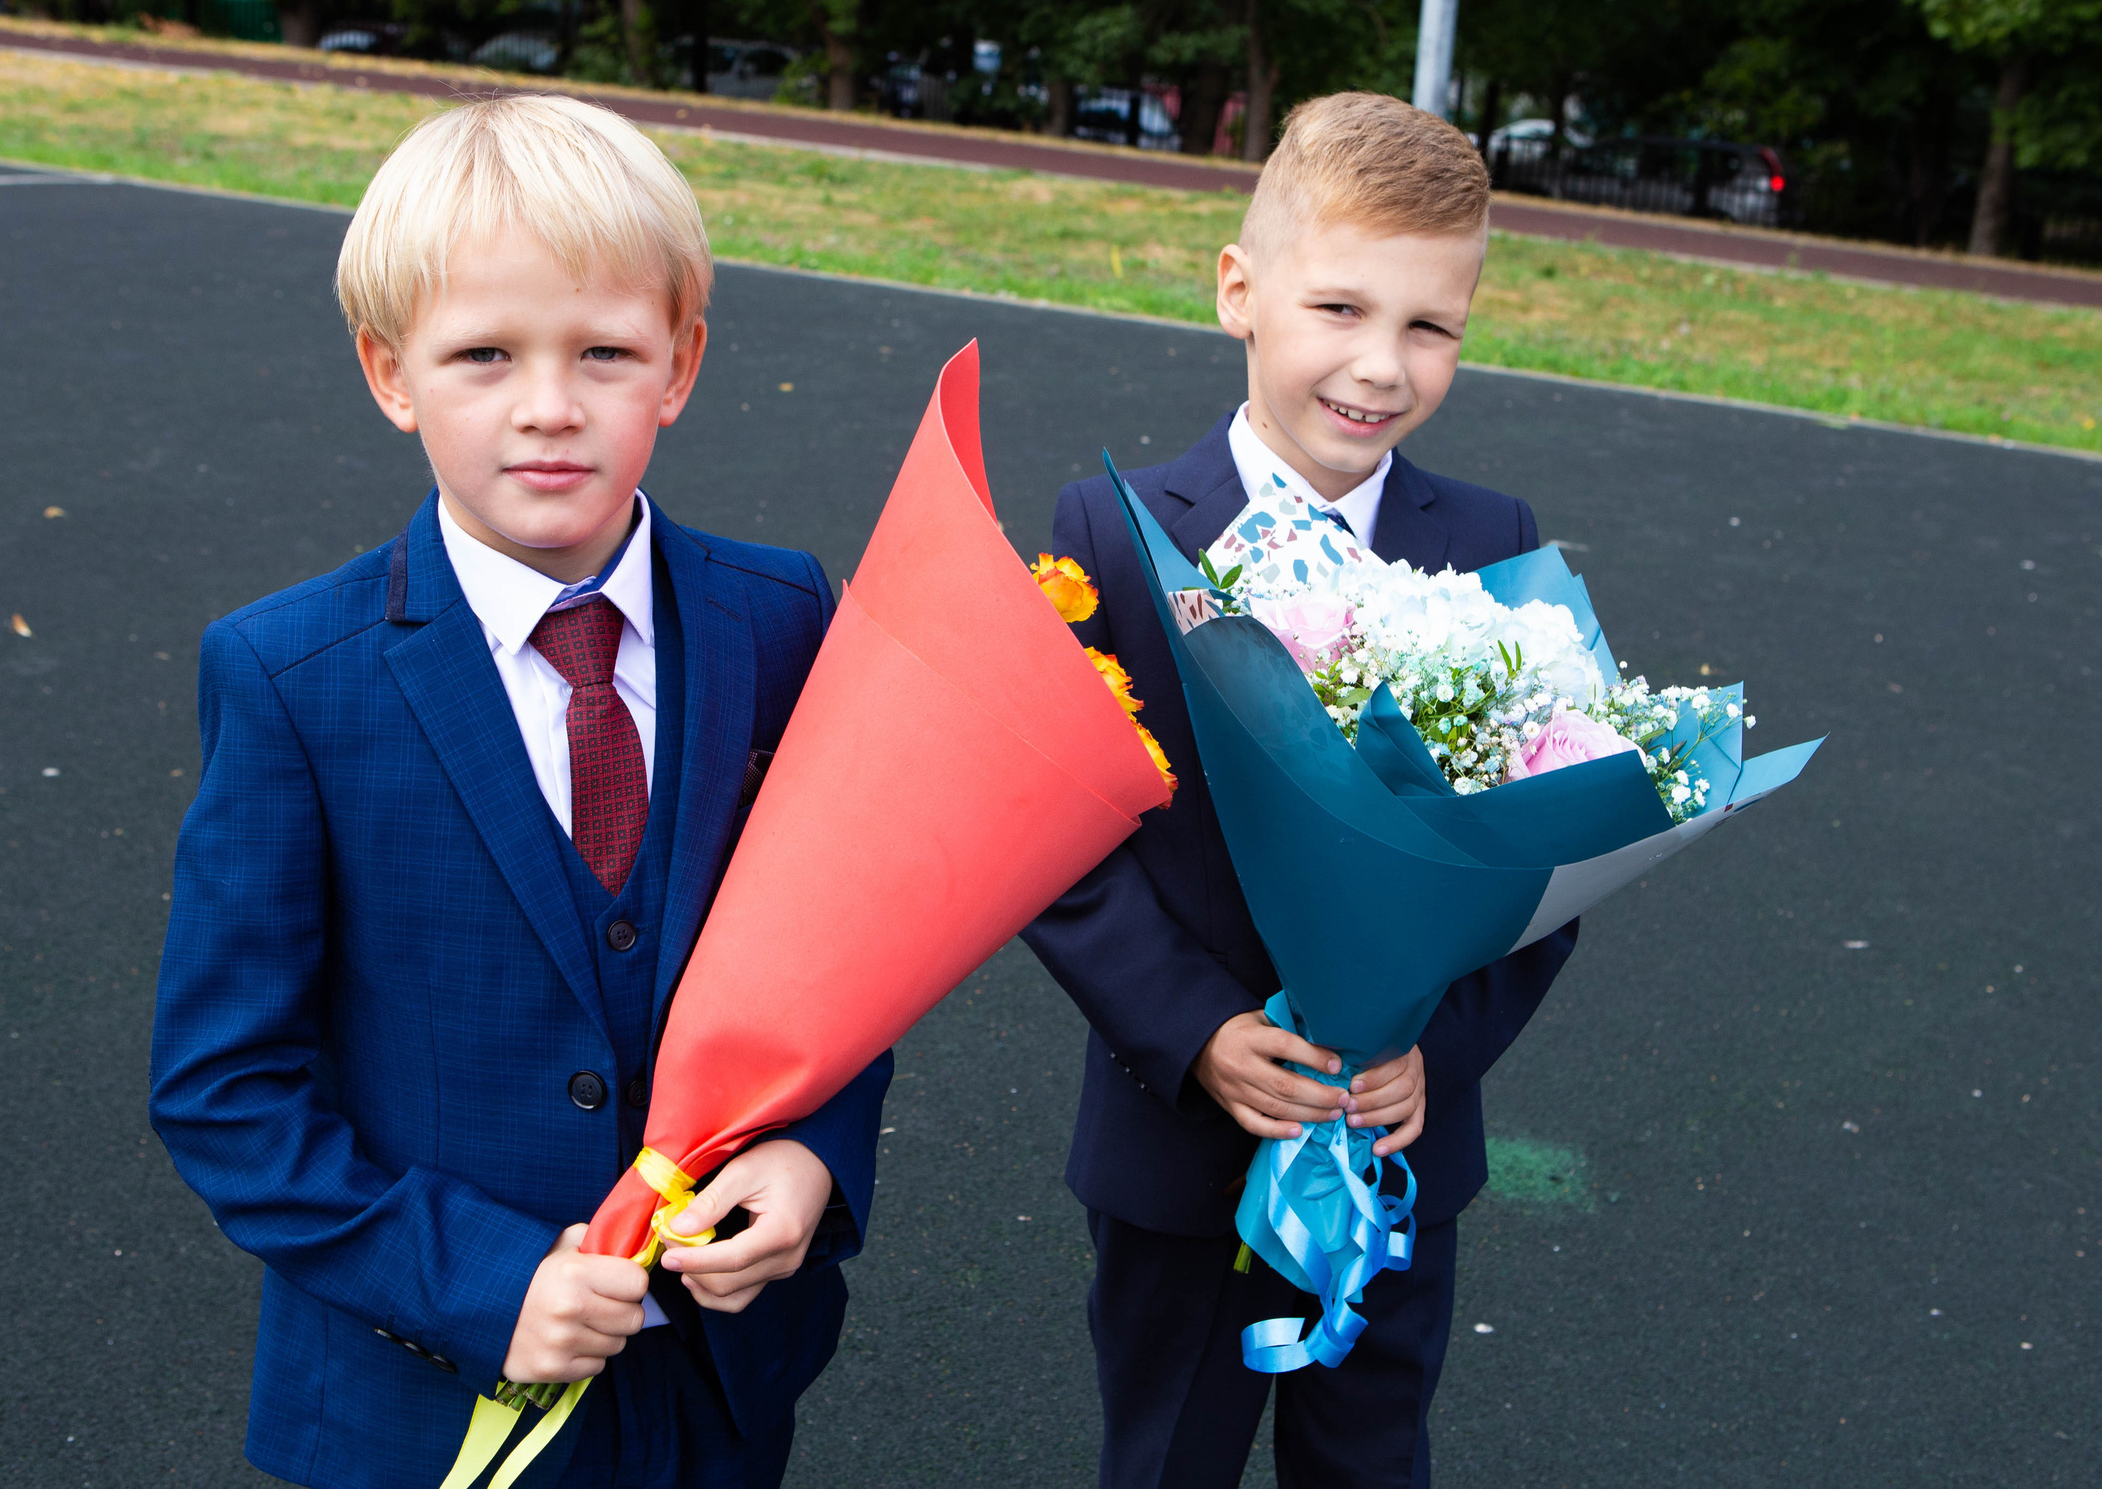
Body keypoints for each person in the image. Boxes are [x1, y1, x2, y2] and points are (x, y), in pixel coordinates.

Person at [149, 94, 888, 1489]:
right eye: (483, 354)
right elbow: (225, 1087)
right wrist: (487, 1282)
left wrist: (814, 1162)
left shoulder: (782, 616)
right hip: (418, 1406)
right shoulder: (292, 675)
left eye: (606, 352)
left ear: (680, 363)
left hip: (717, 1386)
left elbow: (844, 960)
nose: (550, 406)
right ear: (390, 373)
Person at [1022, 91, 1579, 1489]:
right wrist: (1197, 1029)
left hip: (1395, 1154)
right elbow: (1053, 839)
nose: (1380, 366)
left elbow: (1553, 849)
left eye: (1429, 326)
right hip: (1183, 1149)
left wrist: (1428, 1058)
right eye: (1339, 309)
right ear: (1239, 290)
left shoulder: (1493, 542)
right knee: (1167, 1461)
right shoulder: (1113, 531)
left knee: (1372, 1460)